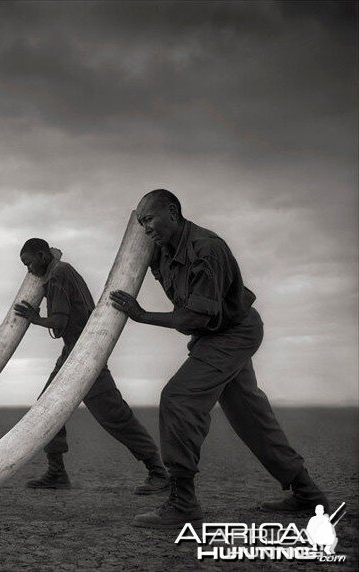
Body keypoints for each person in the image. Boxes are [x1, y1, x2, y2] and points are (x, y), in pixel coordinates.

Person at [110, 189, 328, 528]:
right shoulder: (160, 248)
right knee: (249, 414)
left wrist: (141, 315)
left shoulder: (207, 249)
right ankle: (308, 494)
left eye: (149, 219)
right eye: (141, 222)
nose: (145, 228)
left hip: (234, 333)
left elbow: (192, 319)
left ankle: (183, 502)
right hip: (214, 335)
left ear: (173, 211)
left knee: (179, 399)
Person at [14, 238, 169, 494]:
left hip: (86, 355)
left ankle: (158, 471)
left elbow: (59, 322)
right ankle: (56, 472)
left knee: (113, 415)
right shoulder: (59, 270)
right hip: (72, 352)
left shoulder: (59, 275)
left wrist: (34, 318)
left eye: (29, 263)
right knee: (45, 410)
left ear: (42, 256)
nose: (28, 270)